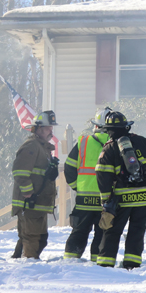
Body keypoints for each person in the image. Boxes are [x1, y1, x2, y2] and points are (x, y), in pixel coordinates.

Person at [94, 111, 146, 269]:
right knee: (137, 231)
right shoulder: (143, 141)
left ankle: (105, 264)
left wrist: (106, 203)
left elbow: (102, 175)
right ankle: (132, 263)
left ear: (108, 130)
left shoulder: (109, 148)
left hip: (122, 199)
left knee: (112, 230)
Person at [63, 108, 112, 261]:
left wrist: (77, 187)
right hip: (106, 200)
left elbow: (69, 168)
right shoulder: (116, 144)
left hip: (84, 199)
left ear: (95, 126)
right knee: (102, 232)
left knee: (79, 231)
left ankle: (70, 259)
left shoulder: (83, 142)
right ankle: (96, 262)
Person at [11, 111, 60, 259]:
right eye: (48, 128)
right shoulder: (32, 146)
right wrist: (28, 193)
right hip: (30, 203)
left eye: (51, 128)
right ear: (38, 129)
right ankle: (29, 264)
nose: (51, 131)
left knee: (37, 238)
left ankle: (19, 259)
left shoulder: (43, 147)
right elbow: (19, 171)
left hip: (38, 203)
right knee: (33, 238)